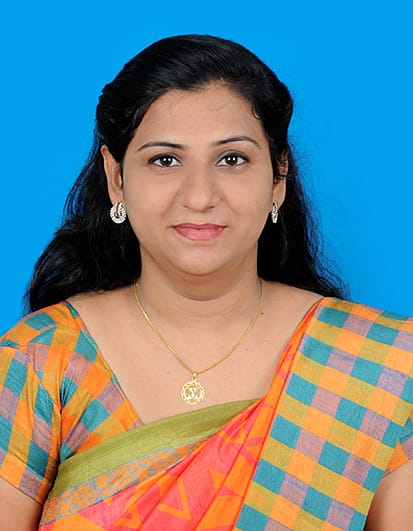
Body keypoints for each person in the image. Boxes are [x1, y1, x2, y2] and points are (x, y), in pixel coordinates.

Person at [0, 34, 412, 531]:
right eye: (165, 160)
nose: (199, 196)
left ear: (278, 177)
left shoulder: (379, 367)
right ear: (116, 177)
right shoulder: (41, 359)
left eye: (232, 159)